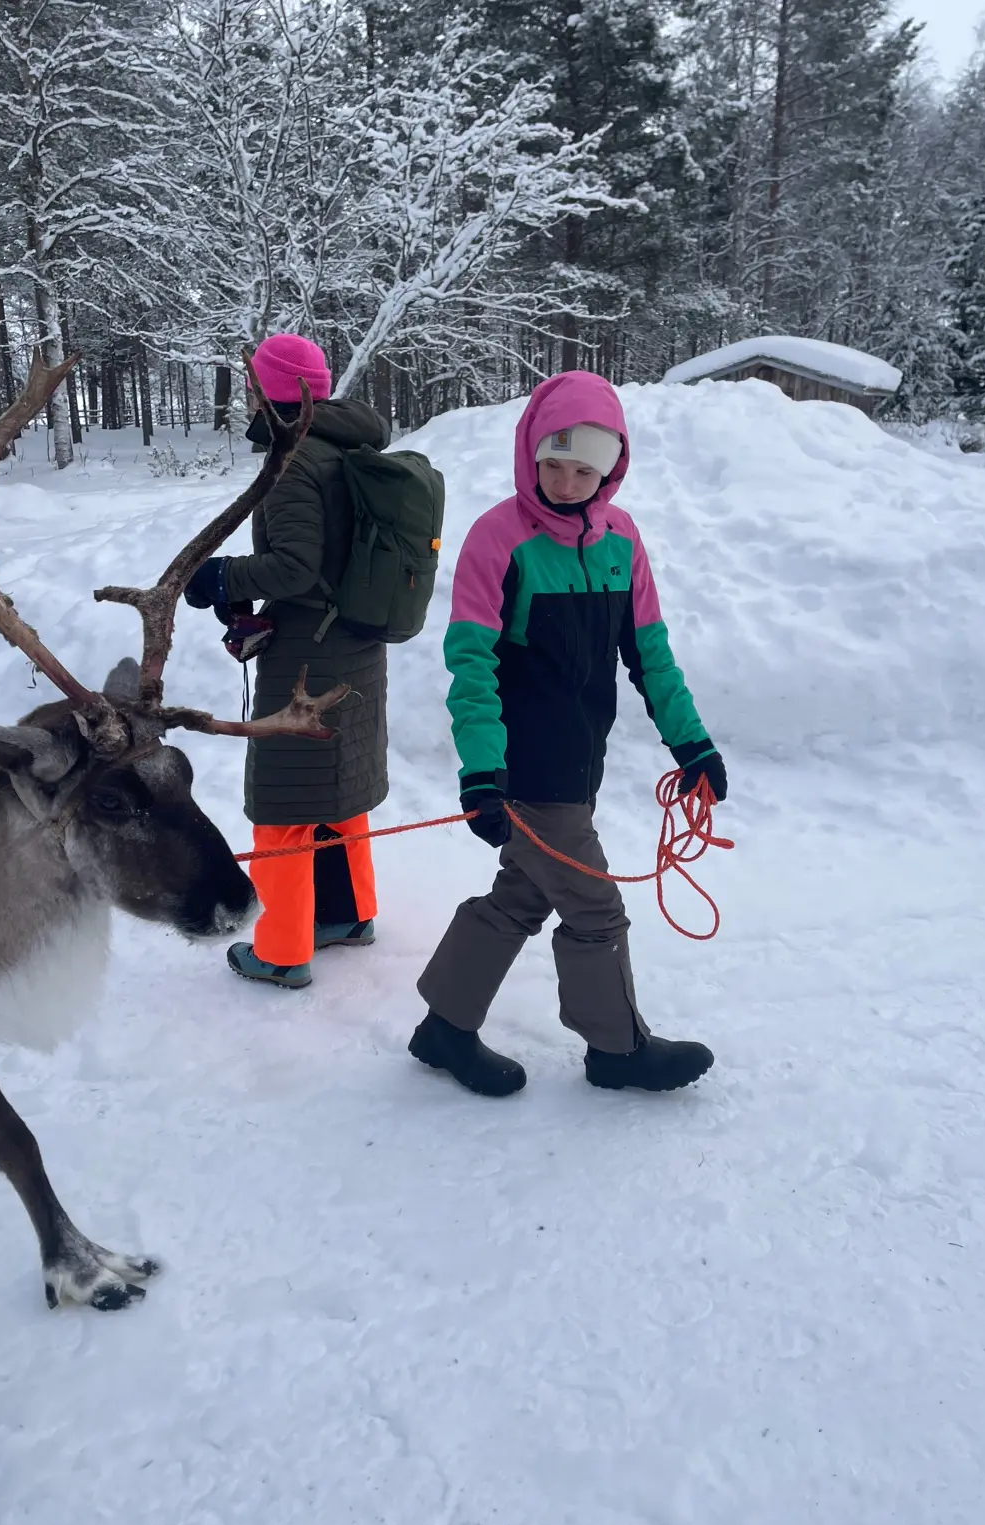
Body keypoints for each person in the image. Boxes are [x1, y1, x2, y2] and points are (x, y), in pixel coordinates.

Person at [410, 370, 727, 1095]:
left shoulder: (622, 539)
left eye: (584, 471)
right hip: (525, 769)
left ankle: (444, 1028)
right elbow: (471, 665)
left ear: (611, 469)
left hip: (581, 762)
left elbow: (650, 653)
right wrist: (482, 772)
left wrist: (692, 744)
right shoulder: (499, 539)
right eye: (552, 465)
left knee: (523, 894)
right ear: (531, 453)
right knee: (594, 907)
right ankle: (616, 1050)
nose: (564, 483)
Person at [184, 333, 392, 989]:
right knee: (337, 789)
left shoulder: (295, 460)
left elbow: (297, 566)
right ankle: (347, 915)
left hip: (309, 657)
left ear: (266, 391)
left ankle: (281, 950)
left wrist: (222, 576)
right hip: (353, 644)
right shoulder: (345, 446)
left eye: (252, 384)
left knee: (284, 805)